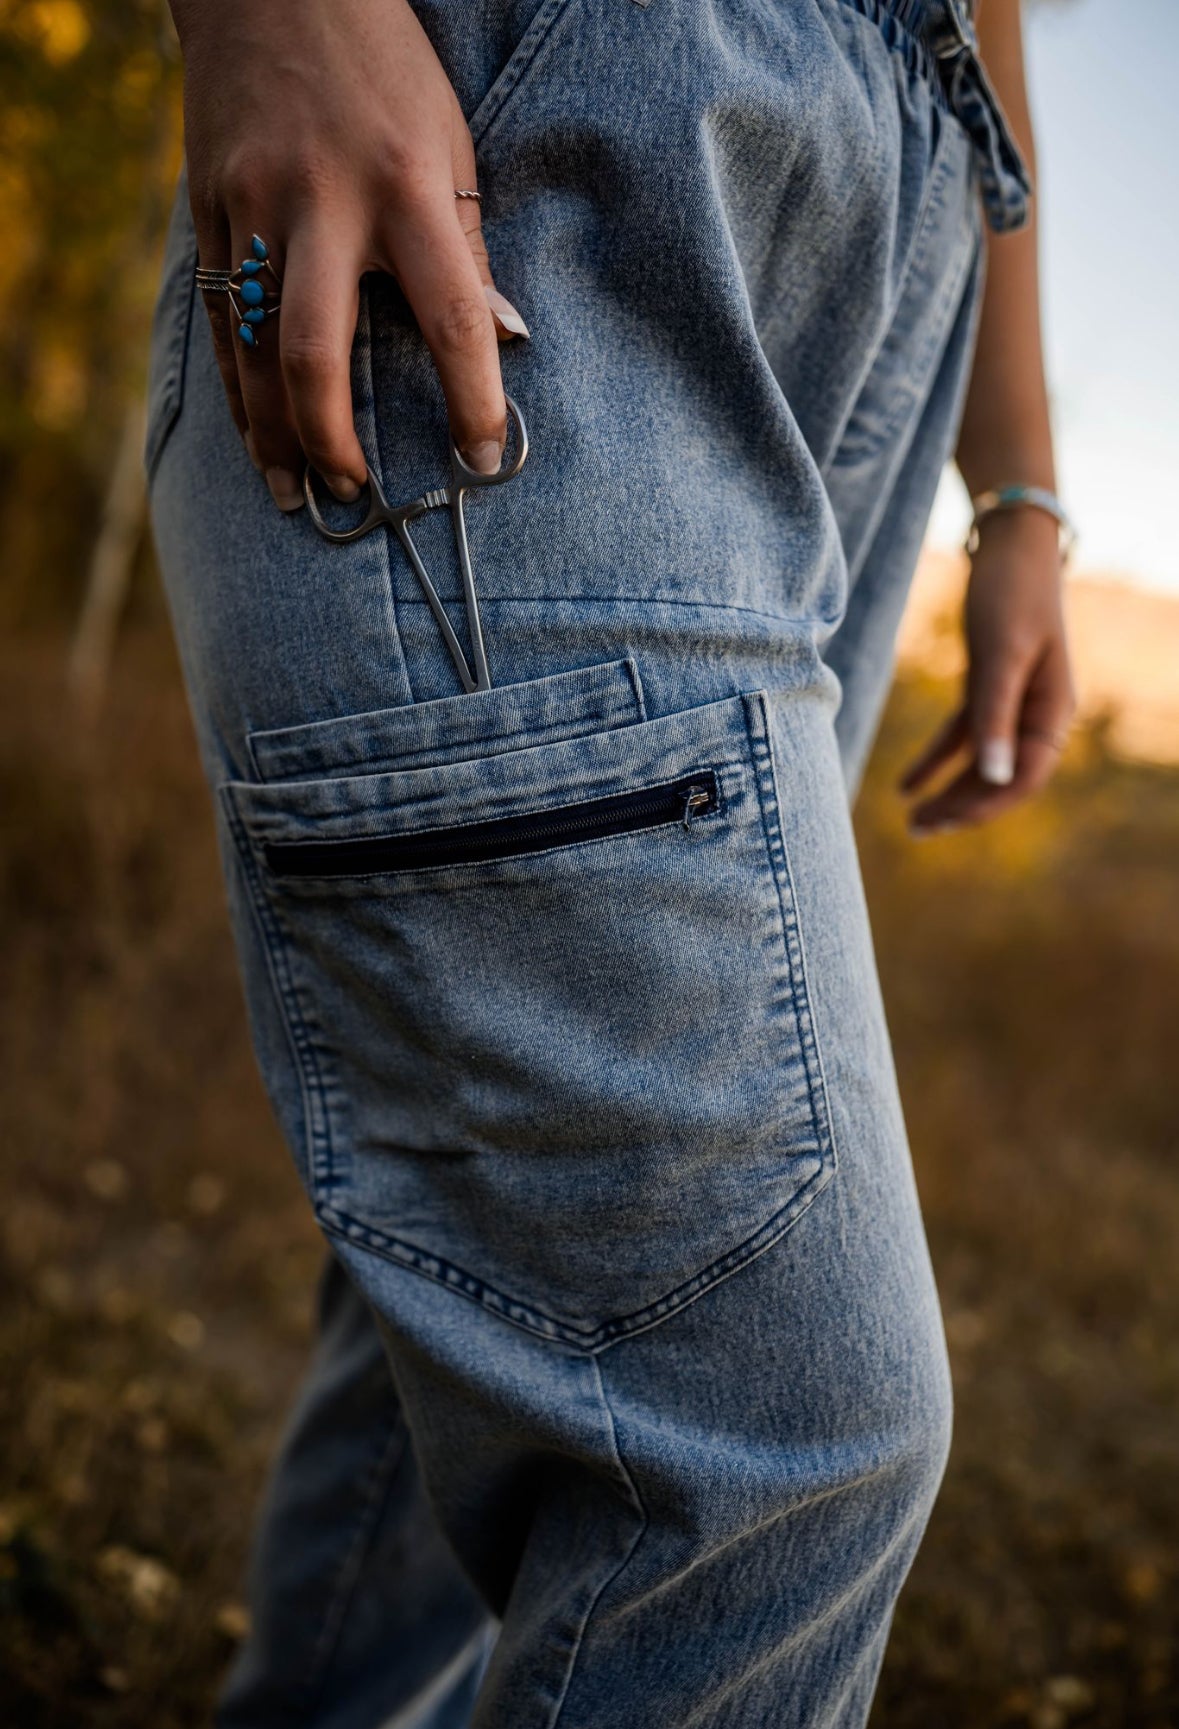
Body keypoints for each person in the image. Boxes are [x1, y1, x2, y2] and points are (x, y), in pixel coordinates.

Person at [145, 0, 1074, 1722]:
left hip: (888, 252)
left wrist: (1018, 487)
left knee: (540, 1285)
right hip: (549, 172)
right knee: (774, 1447)